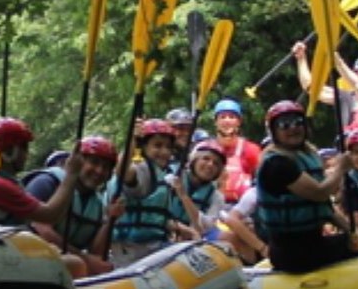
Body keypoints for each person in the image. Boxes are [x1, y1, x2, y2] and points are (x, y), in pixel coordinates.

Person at [0, 117, 86, 274]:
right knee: (75, 265)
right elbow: (50, 214)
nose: (27, 154)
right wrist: (71, 175)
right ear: (8, 152)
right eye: (24, 148)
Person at [255, 100, 356, 273]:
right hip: (291, 252)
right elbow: (320, 194)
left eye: (298, 122)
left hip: (313, 241)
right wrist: (340, 168)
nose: (293, 128)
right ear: (274, 132)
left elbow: (324, 208)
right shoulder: (277, 164)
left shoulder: (307, 154)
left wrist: (351, 230)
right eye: (284, 125)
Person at [23, 135, 125, 276]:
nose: (99, 171)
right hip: (29, 256)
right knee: (77, 265)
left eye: (106, 167)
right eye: (94, 163)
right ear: (78, 162)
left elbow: (96, 253)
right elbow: (40, 229)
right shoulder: (46, 182)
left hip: (65, 265)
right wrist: (85, 260)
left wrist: (110, 220)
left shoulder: (97, 203)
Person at [167, 139, 269, 263]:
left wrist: (184, 196)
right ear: (194, 160)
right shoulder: (171, 177)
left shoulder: (216, 196)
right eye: (205, 159)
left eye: (216, 163)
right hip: (168, 231)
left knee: (233, 237)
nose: (210, 165)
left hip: (197, 236)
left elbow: (204, 226)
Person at [110, 118, 180, 255]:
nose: (164, 152)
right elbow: (122, 170)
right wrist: (133, 140)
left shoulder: (161, 173)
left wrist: (180, 228)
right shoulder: (142, 168)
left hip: (152, 246)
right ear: (143, 148)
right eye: (158, 146)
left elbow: (155, 217)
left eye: (168, 147)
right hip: (132, 250)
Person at [294, 44, 358, 135]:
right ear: (354, 74)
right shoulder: (345, 97)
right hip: (351, 146)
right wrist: (301, 58)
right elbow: (310, 87)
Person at [209, 98, 262, 204]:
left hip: (242, 209)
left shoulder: (251, 150)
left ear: (239, 122)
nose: (227, 121)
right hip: (210, 207)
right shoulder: (206, 148)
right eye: (222, 117)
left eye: (232, 117)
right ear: (216, 122)